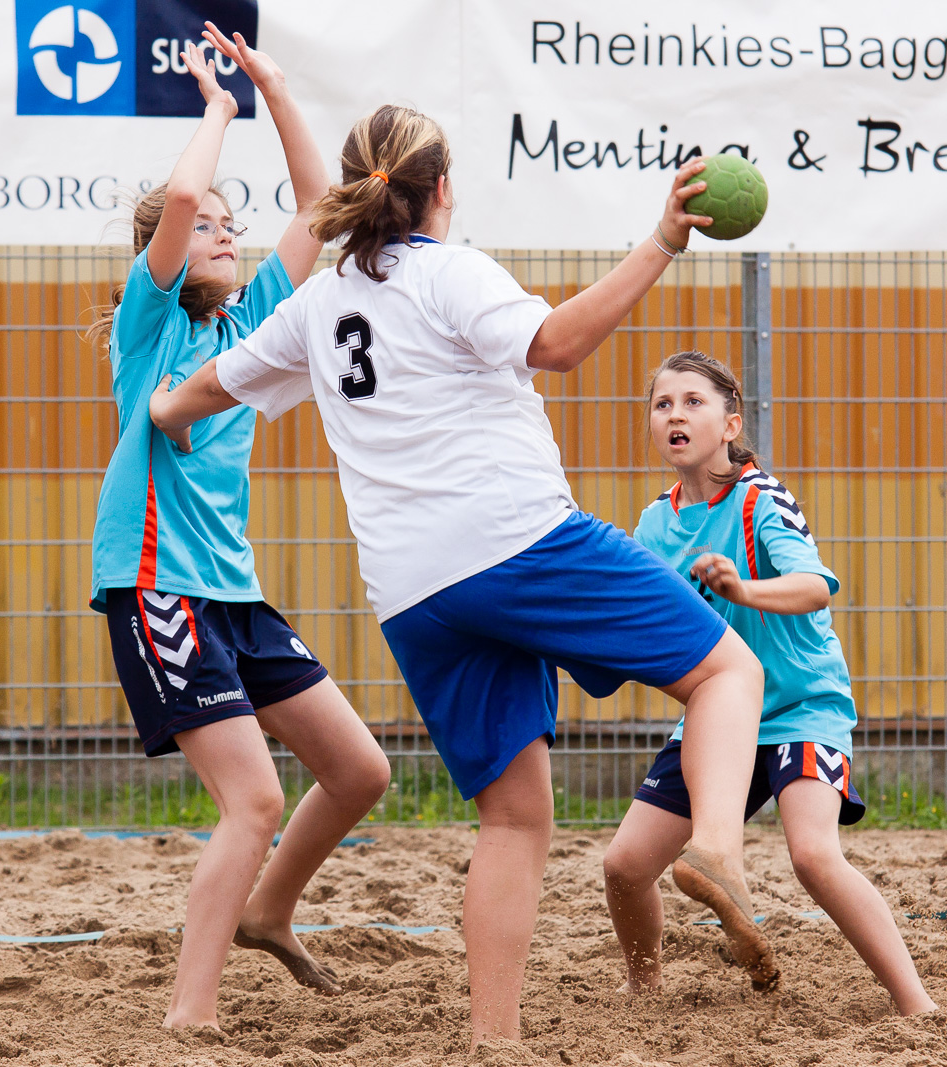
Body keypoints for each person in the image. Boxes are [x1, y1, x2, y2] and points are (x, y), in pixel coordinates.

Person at [147, 108, 777, 1045]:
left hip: (413, 594)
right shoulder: (449, 269)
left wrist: (154, 412)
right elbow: (556, 344)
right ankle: (718, 849)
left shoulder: (316, 306)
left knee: (515, 816)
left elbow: (187, 400)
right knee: (728, 672)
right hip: (518, 539)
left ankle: (495, 1039)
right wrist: (661, 242)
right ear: (440, 189)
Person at [87, 26, 390, 1028]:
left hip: (234, 594)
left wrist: (273, 88)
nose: (223, 228)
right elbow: (176, 200)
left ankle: (268, 910)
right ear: (166, 256)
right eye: (210, 224)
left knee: (359, 768)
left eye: (230, 221)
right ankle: (192, 1012)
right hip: (159, 587)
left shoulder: (252, 322)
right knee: (252, 801)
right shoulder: (154, 321)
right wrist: (217, 107)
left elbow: (320, 212)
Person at [602, 351, 936, 1013]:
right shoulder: (652, 524)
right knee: (624, 865)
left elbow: (816, 586)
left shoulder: (760, 496)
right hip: (717, 717)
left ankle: (917, 1004)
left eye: (693, 402)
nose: (675, 413)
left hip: (800, 706)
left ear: (730, 424)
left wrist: (742, 587)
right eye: (663, 403)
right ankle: (643, 989)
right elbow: (639, 621)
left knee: (813, 855)